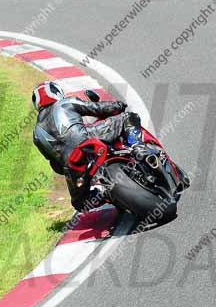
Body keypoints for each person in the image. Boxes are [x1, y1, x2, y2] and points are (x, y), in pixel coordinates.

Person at [32, 81, 143, 210]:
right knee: (127, 117)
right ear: (57, 92)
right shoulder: (65, 103)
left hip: (72, 164)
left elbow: (55, 165)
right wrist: (118, 105)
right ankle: (137, 147)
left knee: (80, 203)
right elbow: (97, 108)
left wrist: (69, 168)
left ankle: (102, 193)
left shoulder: (36, 133)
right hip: (88, 137)